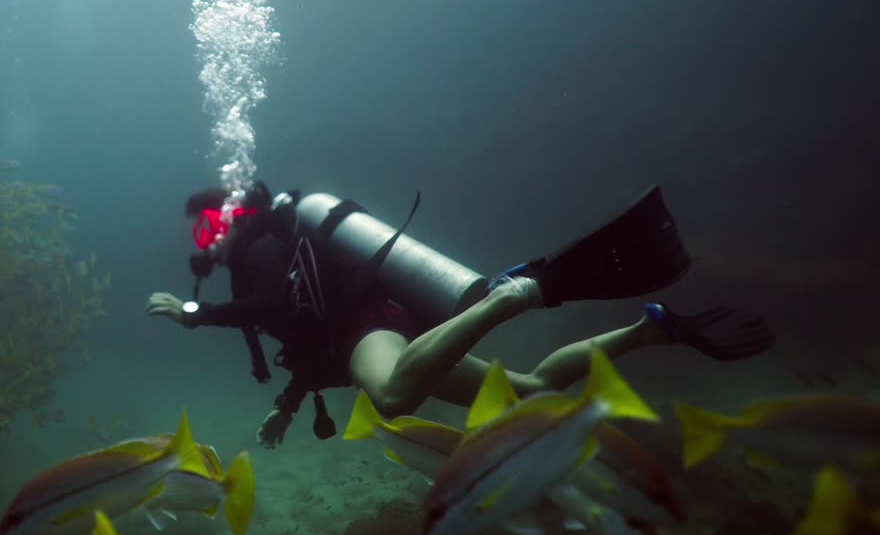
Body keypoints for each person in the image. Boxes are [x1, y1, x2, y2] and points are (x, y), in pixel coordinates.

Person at [147, 181, 775, 450]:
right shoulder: (268, 252)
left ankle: (510, 298)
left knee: (393, 396)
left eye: (207, 228)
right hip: (382, 325)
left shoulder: (259, 247)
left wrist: (194, 313)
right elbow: (301, 329)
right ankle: (651, 328)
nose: (204, 244)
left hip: (371, 326)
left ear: (230, 216)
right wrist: (288, 405)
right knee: (528, 391)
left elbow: (272, 309)